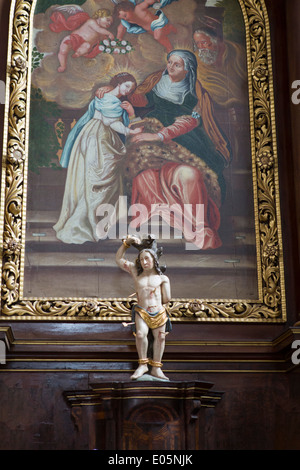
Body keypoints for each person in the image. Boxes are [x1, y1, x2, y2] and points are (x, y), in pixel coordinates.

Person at [126, 49, 232, 249]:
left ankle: (195, 223)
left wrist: (159, 135)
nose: (170, 67)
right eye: (169, 62)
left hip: (182, 135)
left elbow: (190, 121)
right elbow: (142, 99)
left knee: (195, 171)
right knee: (142, 165)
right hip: (154, 124)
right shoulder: (158, 80)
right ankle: (162, 210)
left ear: (187, 70)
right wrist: (120, 89)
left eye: (177, 64)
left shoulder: (194, 91)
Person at [53, 72, 143, 244]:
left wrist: (130, 113)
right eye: (126, 86)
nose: (127, 91)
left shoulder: (110, 97)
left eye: (130, 88)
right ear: (118, 83)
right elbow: (111, 123)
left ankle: (99, 222)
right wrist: (130, 131)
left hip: (92, 135)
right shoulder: (111, 100)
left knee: (96, 177)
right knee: (100, 177)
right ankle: (94, 224)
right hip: (99, 138)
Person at [116, 235, 171, 380]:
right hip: (141, 311)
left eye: (147, 259)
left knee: (160, 338)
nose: (144, 262)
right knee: (141, 334)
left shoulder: (162, 278)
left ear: (154, 259)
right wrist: (126, 244)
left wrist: (164, 286)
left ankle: (156, 368)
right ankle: (143, 365)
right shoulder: (136, 272)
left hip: (159, 312)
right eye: (141, 259)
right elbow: (119, 260)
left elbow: (166, 299)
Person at [49, 8, 114, 72]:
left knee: (87, 45)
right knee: (63, 49)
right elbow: (98, 29)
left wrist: (108, 41)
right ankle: (62, 65)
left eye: (110, 23)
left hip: (84, 45)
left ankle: (78, 53)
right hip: (75, 39)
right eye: (107, 20)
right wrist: (109, 33)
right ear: (100, 16)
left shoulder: (102, 33)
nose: (109, 23)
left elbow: (103, 39)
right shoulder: (92, 22)